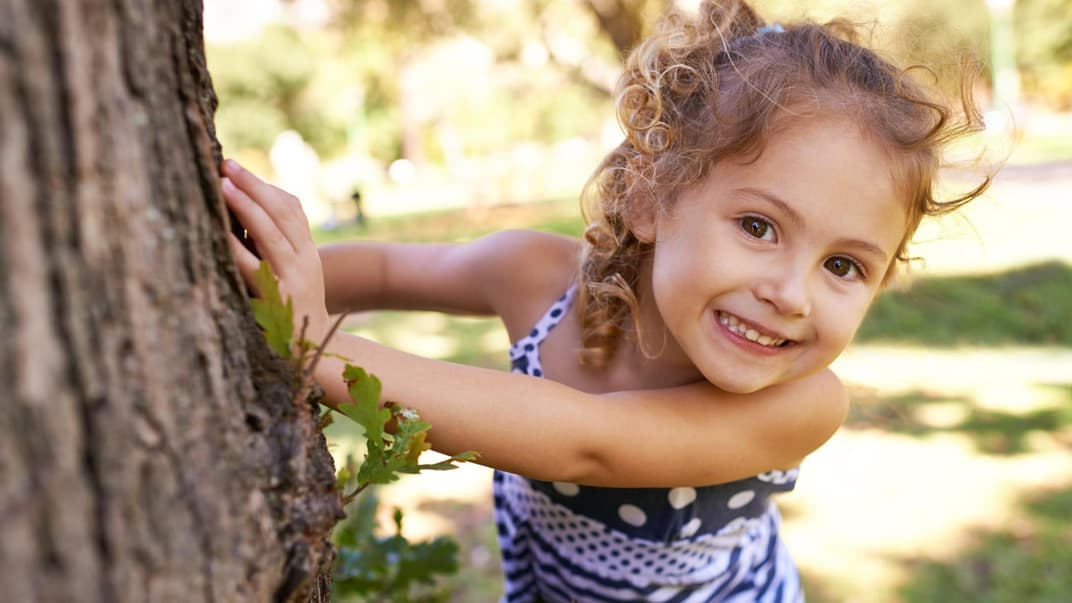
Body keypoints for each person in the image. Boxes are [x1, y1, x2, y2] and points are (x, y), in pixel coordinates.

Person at [220, 0, 989, 600]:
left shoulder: (803, 404)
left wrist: (319, 345)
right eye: (758, 226)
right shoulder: (533, 276)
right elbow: (389, 269)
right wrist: (258, 265)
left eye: (845, 266)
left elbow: (586, 442)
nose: (790, 292)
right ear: (650, 197)